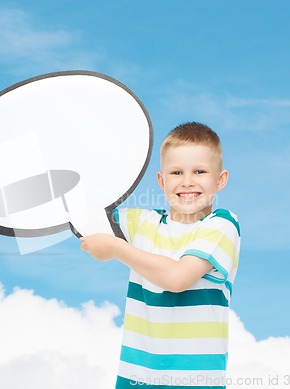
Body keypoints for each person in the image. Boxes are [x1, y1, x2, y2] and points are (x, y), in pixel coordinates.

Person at [80, 122, 240, 389]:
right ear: (162, 181)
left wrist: (116, 248)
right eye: (176, 172)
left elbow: (177, 278)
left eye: (199, 171)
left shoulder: (222, 225)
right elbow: (86, 213)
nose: (187, 181)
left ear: (220, 180)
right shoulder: (143, 222)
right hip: (136, 380)